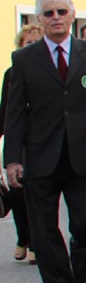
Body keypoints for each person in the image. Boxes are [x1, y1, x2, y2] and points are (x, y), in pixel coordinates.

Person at [4, 0, 86, 283]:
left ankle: (79, 268)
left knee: (85, 223)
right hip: (40, 155)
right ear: (39, 19)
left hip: (84, 154)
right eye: (48, 13)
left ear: (72, 15)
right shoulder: (23, 59)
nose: (56, 18)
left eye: (61, 11)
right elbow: (15, 113)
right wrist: (12, 159)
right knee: (43, 229)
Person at [2, 24, 43, 263]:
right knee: (18, 193)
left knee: (37, 194)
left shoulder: (50, 72)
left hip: (41, 141)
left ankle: (36, 244)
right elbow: (6, 110)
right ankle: (23, 238)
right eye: (29, 43)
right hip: (19, 140)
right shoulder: (12, 73)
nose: (33, 47)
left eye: (37, 43)